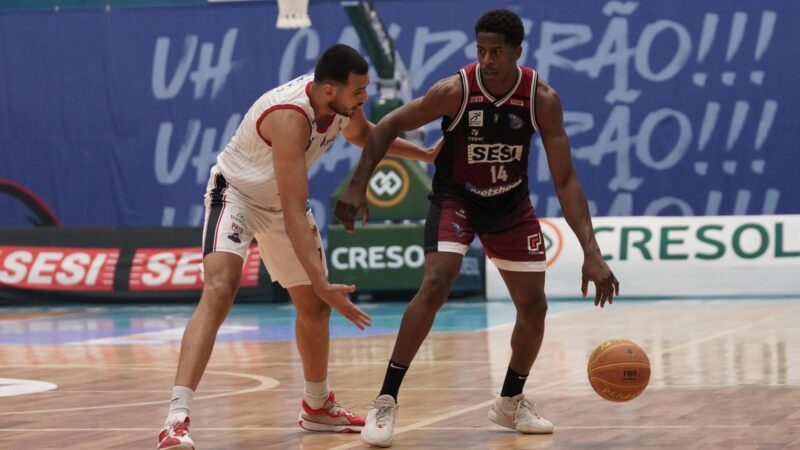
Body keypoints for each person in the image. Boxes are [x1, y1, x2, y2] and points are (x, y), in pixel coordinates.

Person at [334, 9, 620, 448]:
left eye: (497, 52)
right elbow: (387, 124)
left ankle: (510, 400)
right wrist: (358, 185)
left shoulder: (541, 98)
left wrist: (592, 250)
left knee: (535, 307)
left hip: (510, 203)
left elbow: (565, 179)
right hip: (457, 198)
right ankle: (386, 400)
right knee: (436, 283)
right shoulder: (455, 90)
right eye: (481, 50)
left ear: (517, 53)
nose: (487, 59)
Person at [157, 44, 440, 450]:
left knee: (313, 306)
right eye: (358, 91)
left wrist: (425, 154)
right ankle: (176, 418)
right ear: (328, 90)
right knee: (220, 290)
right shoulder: (289, 118)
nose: (364, 98)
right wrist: (321, 278)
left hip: (278, 204)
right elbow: (293, 211)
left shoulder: (343, 106)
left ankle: (317, 406)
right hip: (237, 195)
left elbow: (364, 135)